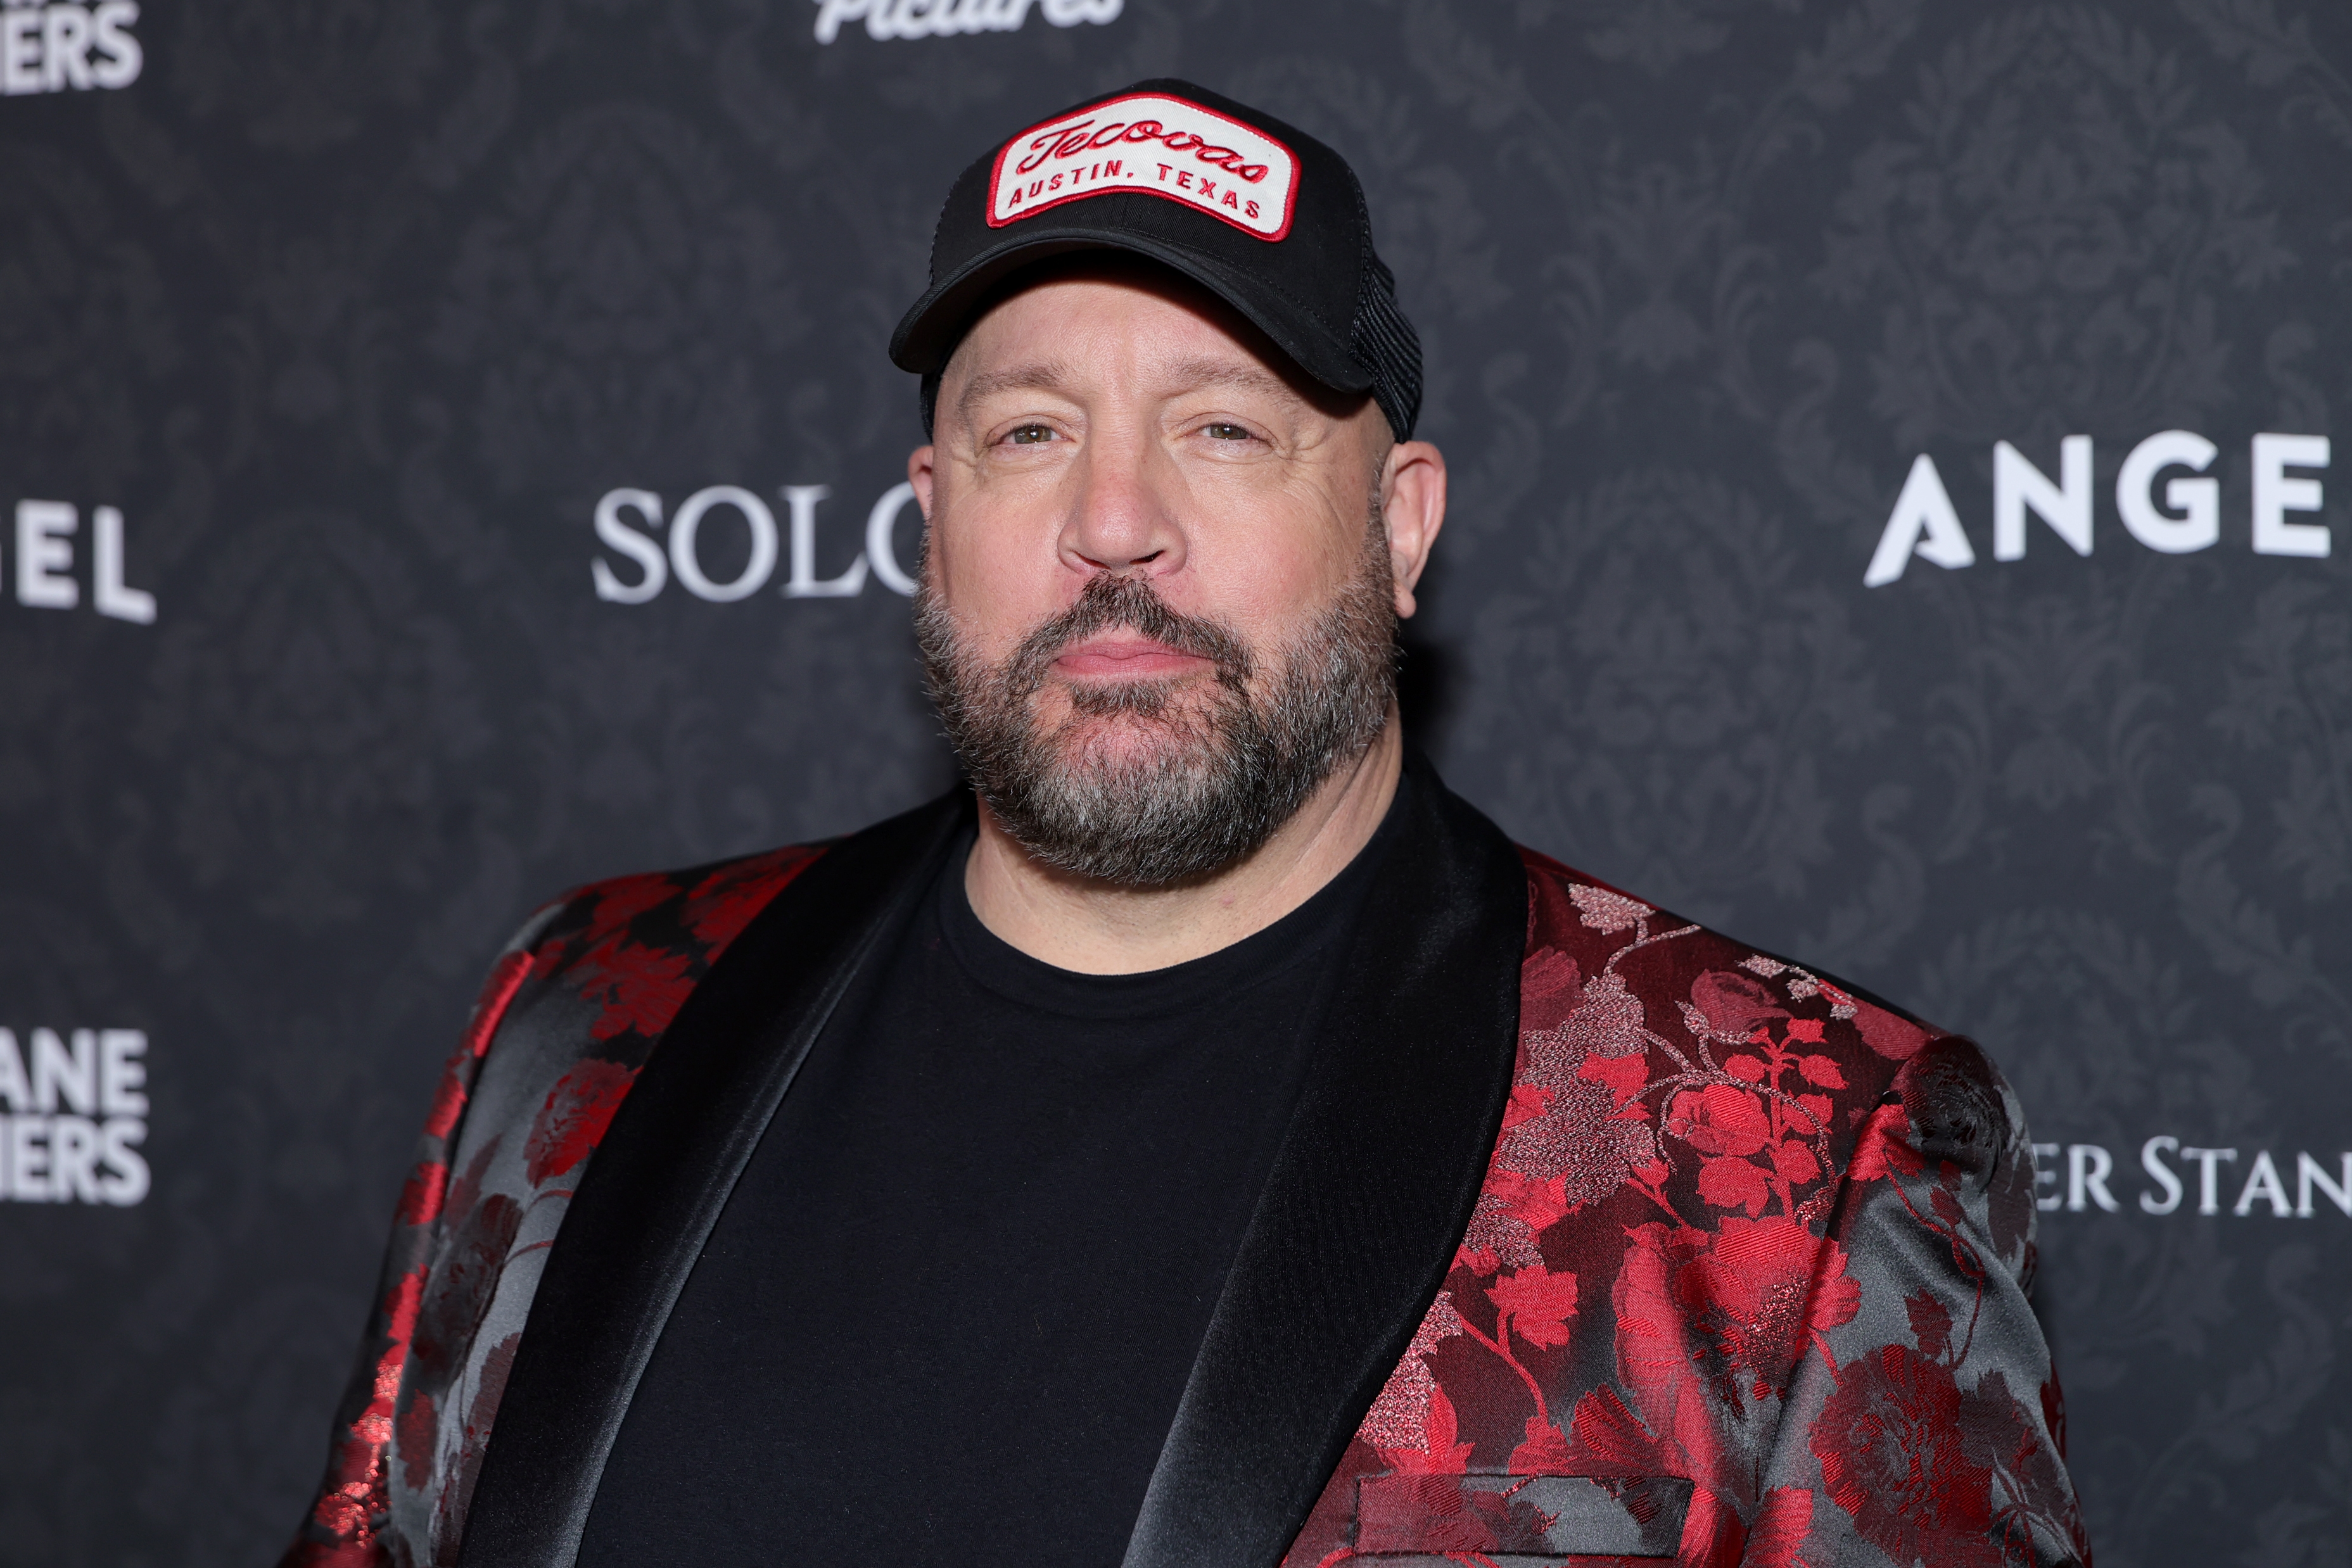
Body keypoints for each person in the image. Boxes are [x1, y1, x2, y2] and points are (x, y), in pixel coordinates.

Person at [283, 80, 2088, 1568]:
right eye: (1028, 433)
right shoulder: (586, 1011)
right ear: (930, 515)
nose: (1111, 522)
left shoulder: (1794, 1143)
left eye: (1222, 428)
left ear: (1397, 526)